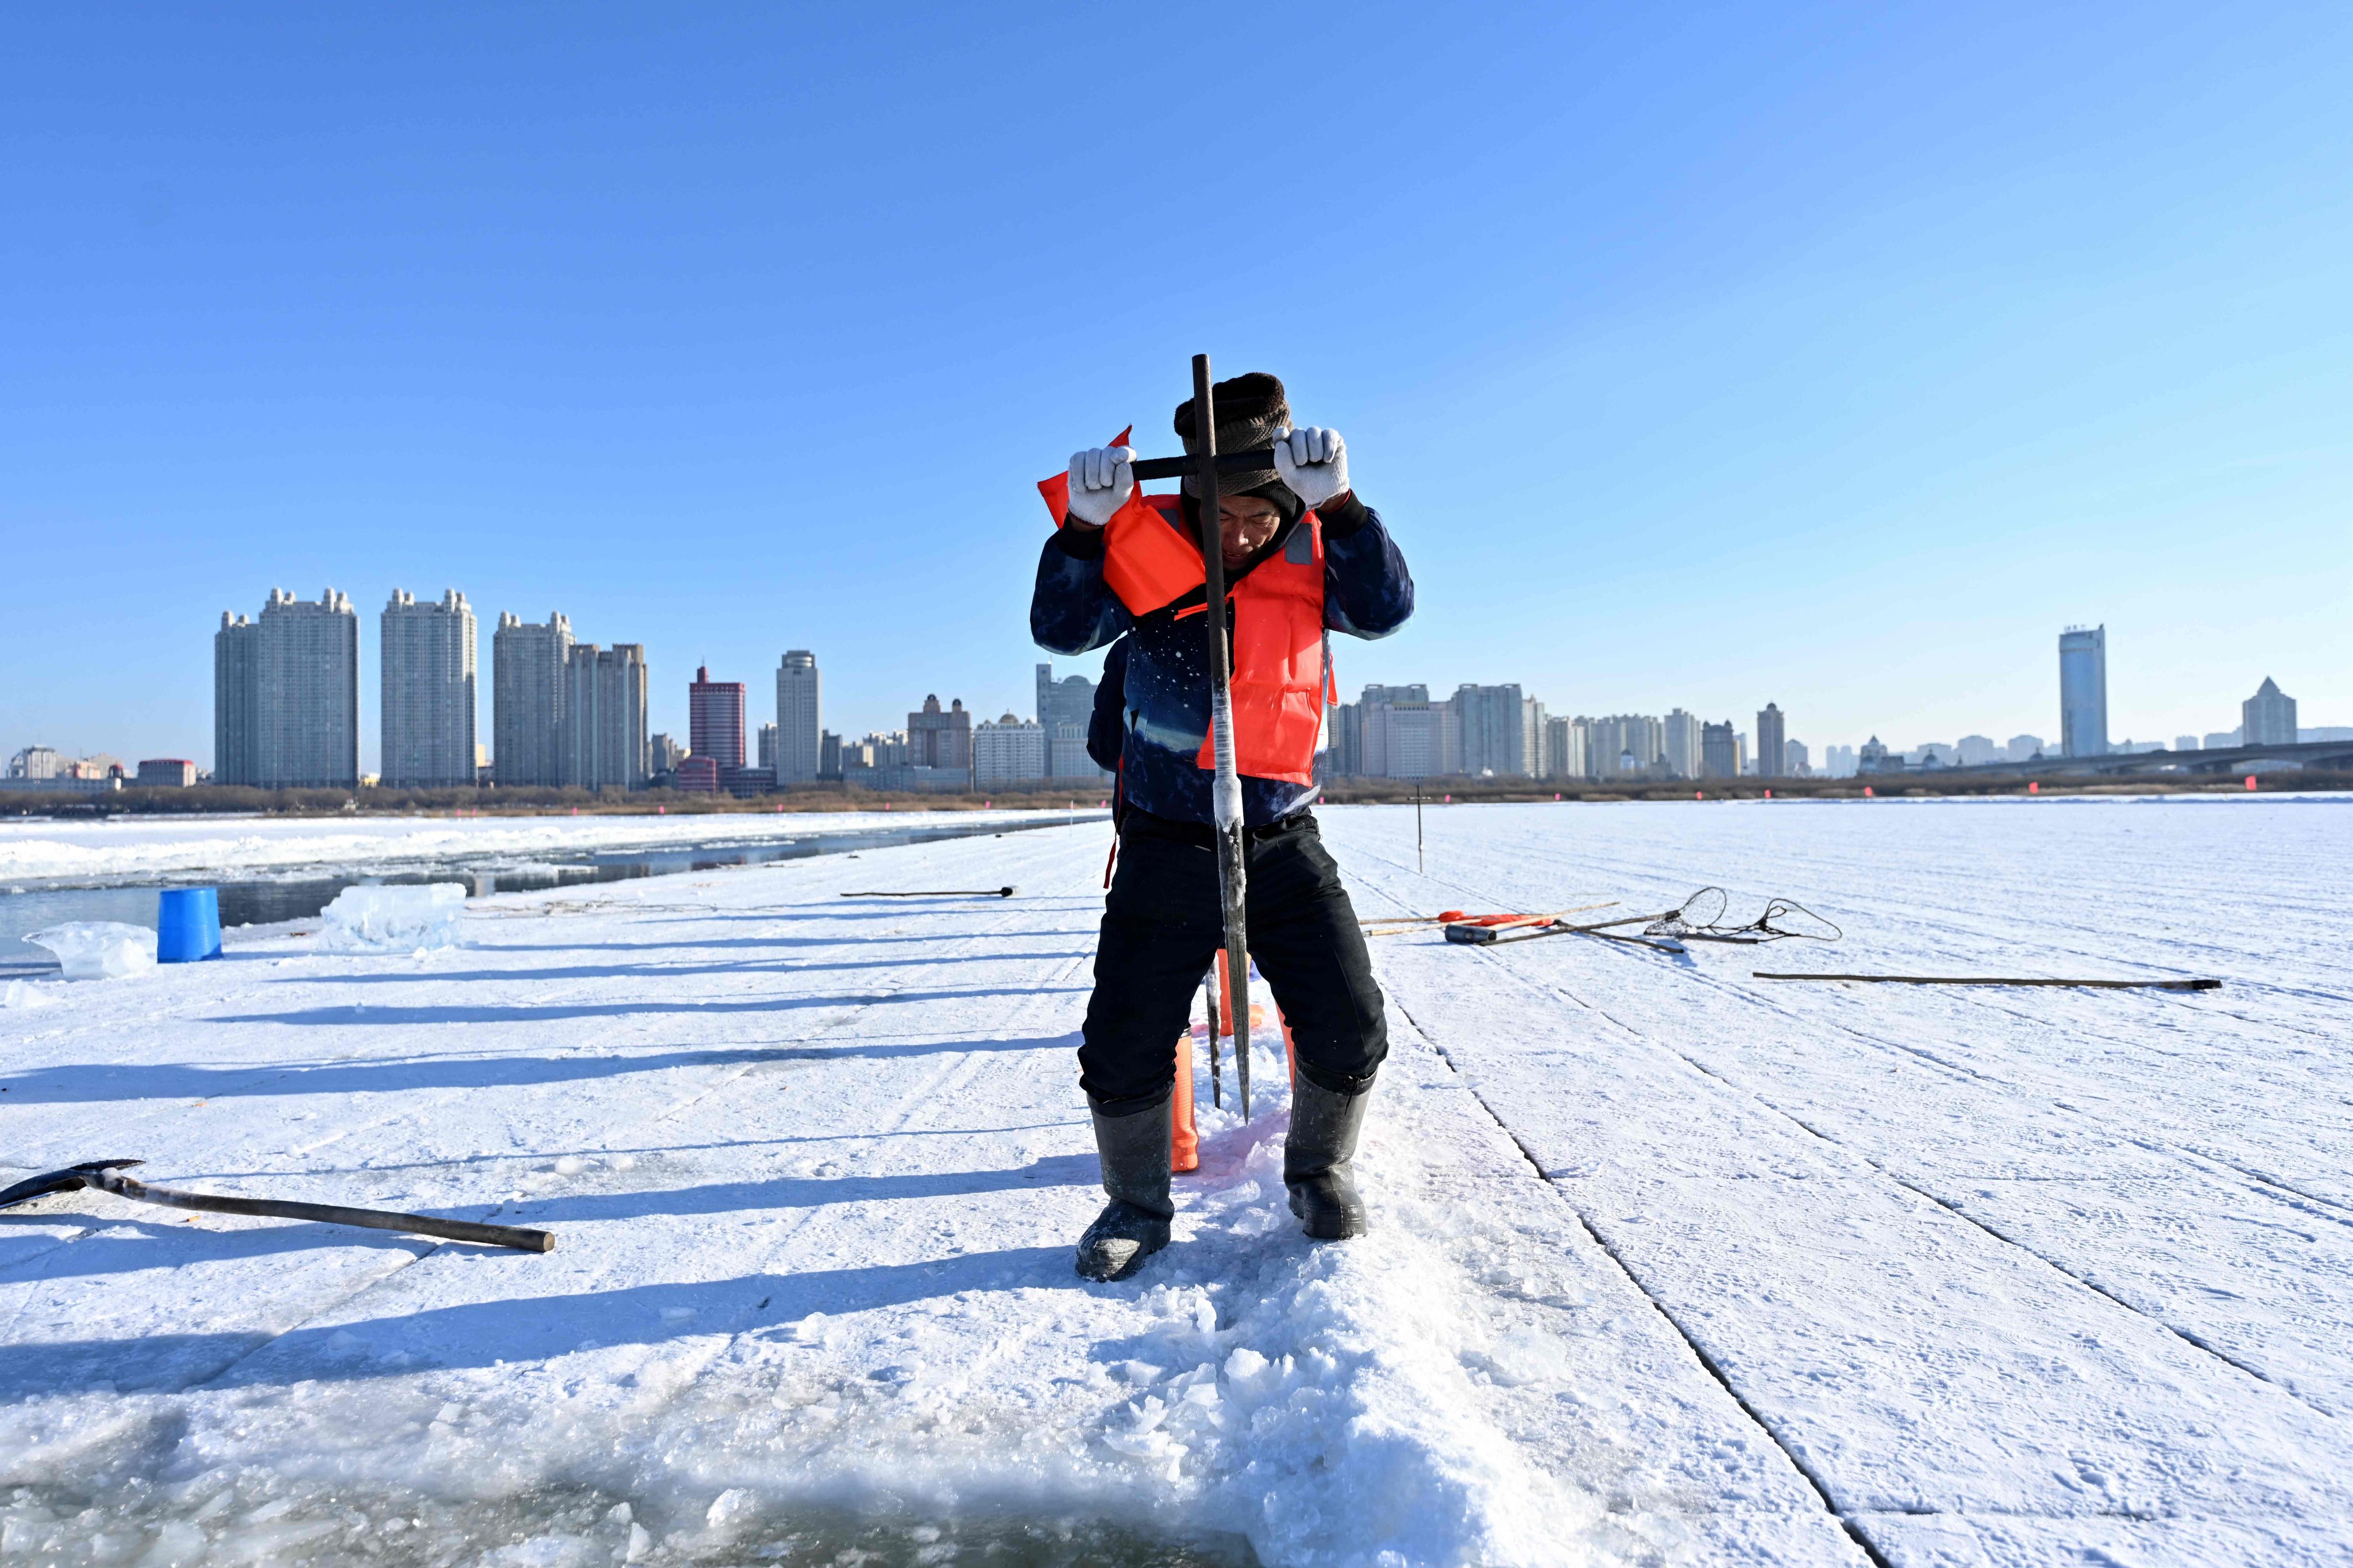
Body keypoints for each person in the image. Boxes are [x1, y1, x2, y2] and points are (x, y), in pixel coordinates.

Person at [1030, 372, 1414, 1281]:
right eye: (1221, 515)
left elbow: (1389, 608)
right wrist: (1083, 528)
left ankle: (1320, 1169)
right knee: (1124, 1038)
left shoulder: (1321, 549)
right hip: (1167, 841)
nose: (1239, 532)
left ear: (1288, 496)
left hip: (1282, 838)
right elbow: (1059, 627)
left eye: (1258, 513)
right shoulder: (1142, 551)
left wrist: (1349, 509)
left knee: (1349, 1021)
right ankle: (1135, 1203)